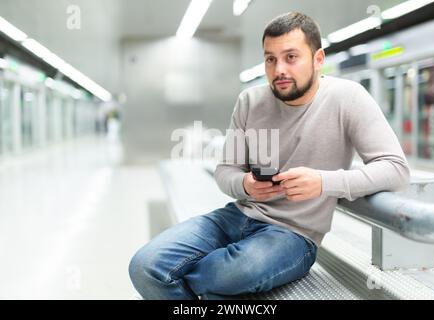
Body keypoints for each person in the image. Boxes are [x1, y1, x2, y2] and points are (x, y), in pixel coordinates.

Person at [129, 11, 410, 300]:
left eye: (291, 57)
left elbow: (396, 169)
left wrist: (324, 182)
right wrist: (245, 185)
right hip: (236, 215)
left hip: (294, 234)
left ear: (318, 59)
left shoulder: (348, 97)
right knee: (146, 267)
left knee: (223, 276)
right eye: (270, 59)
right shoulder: (250, 101)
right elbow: (226, 171)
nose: (279, 70)